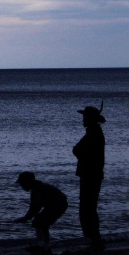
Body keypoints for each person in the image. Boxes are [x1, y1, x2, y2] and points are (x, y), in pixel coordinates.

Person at [73, 102, 106, 251]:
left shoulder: (93, 133)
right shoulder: (93, 132)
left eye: (85, 117)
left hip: (90, 175)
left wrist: (81, 154)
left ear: (91, 119)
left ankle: (95, 240)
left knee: (88, 209)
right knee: (89, 209)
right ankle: (94, 240)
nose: (83, 120)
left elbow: (78, 149)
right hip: (92, 174)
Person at [15, 172, 68, 253]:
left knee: (40, 223)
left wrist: (26, 218)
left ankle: (44, 247)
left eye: (22, 183)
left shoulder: (37, 189)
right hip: (55, 205)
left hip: (58, 205)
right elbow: (36, 207)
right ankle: (43, 245)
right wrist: (29, 217)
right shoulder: (36, 187)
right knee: (39, 222)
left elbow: (34, 207)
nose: (21, 186)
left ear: (28, 181)